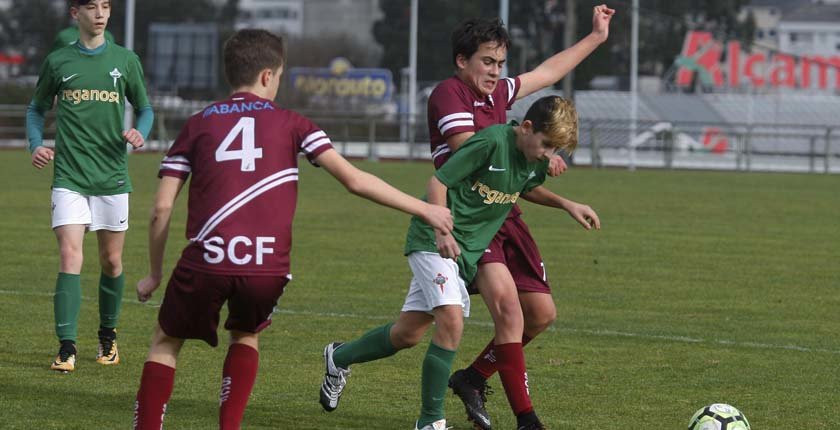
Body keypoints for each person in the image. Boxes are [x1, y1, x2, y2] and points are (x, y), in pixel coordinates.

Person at [131, 29, 453, 430]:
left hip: (209, 259)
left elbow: (161, 207)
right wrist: (424, 208)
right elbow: (354, 180)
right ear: (268, 75)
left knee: (166, 341)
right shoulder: (294, 123)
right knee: (246, 335)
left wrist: (155, 273)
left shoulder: (197, 125)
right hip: (267, 265)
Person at [320, 95, 595, 430]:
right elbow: (439, 181)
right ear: (525, 128)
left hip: (464, 254)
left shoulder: (533, 158)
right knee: (451, 321)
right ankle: (431, 422)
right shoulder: (491, 142)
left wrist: (566, 203)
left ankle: (339, 357)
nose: (549, 155)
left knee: (407, 334)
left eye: (555, 151)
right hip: (434, 240)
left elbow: (525, 187)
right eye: (547, 145)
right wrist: (440, 230)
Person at [427, 5, 612, 429]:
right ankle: (527, 420)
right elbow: (473, 158)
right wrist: (537, 156)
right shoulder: (449, 96)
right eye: (487, 62)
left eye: (500, 63)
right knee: (508, 312)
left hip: (506, 209)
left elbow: (548, 72)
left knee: (541, 314)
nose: (496, 72)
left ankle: (472, 378)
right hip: (473, 213)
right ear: (462, 60)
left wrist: (597, 38)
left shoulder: (498, 95)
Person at [26, 0, 154, 373]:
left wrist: (139, 133)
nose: (100, 14)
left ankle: (108, 337)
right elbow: (36, 109)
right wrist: (37, 144)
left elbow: (145, 108)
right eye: (91, 7)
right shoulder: (58, 62)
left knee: (112, 261)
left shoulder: (126, 61)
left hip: (112, 177)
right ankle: (66, 347)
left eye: (106, 7)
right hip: (69, 175)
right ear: (74, 14)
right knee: (70, 257)